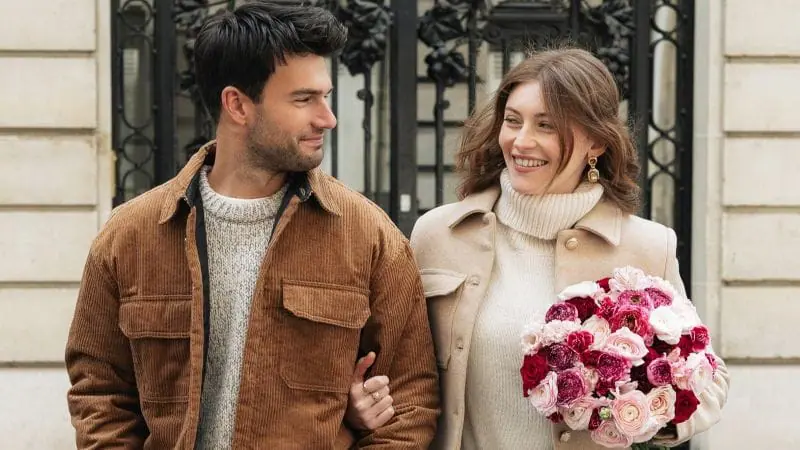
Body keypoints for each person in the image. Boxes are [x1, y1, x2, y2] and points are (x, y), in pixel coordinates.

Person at [65, 2, 439, 448]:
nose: (328, 118)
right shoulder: (130, 236)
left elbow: (411, 403)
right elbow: (100, 392)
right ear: (237, 104)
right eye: (304, 99)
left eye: (326, 96)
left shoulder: (370, 237)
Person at [348, 47, 729, 449]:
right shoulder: (438, 234)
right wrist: (360, 407)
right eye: (513, 121)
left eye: (546, 126)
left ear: (596, 141)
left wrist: (649, 417)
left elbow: (709, 378)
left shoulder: (648, 247)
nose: (521, 141)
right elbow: (394, 370)